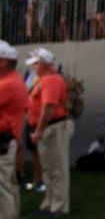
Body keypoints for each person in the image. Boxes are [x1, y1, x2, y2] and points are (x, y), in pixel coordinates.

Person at [26, 47, 74, 216]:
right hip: (49, 127)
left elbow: (49, 107)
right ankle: (50, 203)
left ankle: (59, 206)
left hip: (53, 127)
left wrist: (38, 130)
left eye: (36, 64)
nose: (34, 67)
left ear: (45, 64)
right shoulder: (44, 79)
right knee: (48, 168)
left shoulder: (50, 80)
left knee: (57, 168)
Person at [0, 41, 28, 219]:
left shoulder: (7, 84)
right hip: (7, 138)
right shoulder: (13, 79)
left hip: (2, 139)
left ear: (4, 61)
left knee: (2, 190)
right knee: (8, 185)